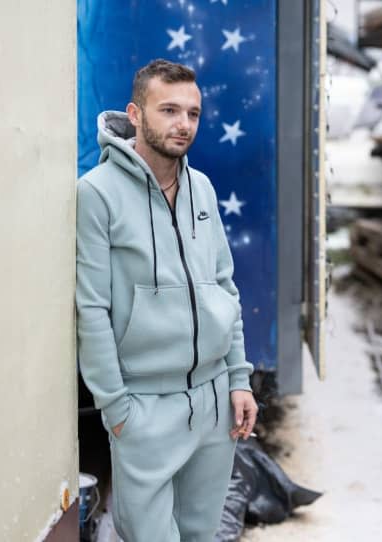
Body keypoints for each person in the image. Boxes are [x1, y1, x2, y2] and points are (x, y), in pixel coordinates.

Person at [76, 59, 259, 541]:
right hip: (145, 408)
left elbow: (225, 286)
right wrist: (117, 409)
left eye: (193, 114)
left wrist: (238, 379)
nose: (183, 124)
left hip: (214, 403)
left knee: (202, 535)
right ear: (135, 114)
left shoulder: (201, 187)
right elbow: (91, 308)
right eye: (170, 110)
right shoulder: (96, 194)